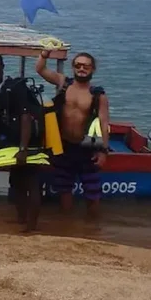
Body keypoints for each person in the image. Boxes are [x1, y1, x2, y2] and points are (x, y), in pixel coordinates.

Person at [36, 49, 110, 217]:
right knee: (64, 189)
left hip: (88, 147)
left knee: (92, 192)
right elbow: (41, 70)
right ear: (73, 67)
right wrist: (44, 54)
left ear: (92, 69)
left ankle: (92, 227)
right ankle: (66, 226)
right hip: (63, 145)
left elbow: (104, 123)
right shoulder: (64, 83)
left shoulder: (98, 95)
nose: (81, 68)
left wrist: (103, 151)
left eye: (86, 66)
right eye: (78, 65)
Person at [0, 52, 45, 232]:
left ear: (3, 67)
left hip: (29, 141)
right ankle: (21, 220)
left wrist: (23, 148)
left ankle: (32, 226)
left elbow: (26, 117)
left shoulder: (16, 87)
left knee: (31, 182)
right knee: (17, 181)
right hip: (13, 140)